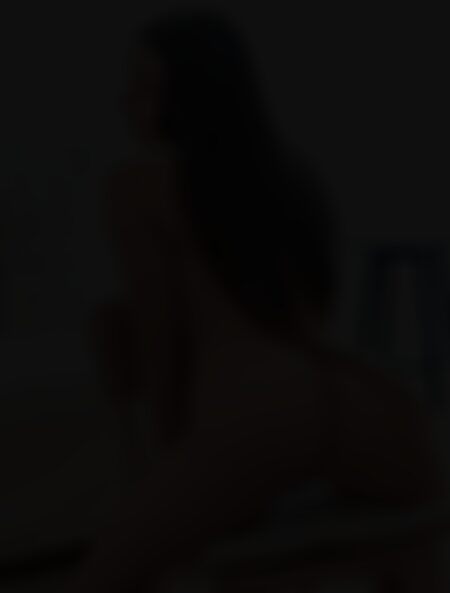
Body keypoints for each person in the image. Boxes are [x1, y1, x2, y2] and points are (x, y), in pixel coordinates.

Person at [68, 9, 448, 592]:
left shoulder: (138, 185)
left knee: (104, 577)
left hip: (258, 413)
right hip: (366, 403)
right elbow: (314, 310)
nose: (124, 102)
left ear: (190, 97)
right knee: (402, 552)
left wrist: (168, 471)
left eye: (143, 87)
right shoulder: (294, 177)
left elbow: (160, 340)